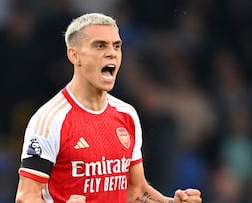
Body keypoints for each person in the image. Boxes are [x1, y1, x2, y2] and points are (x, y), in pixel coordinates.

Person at [15, 13, 202, 203]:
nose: (112, 52)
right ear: (74, 55)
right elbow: (26, 197)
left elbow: (134, 191)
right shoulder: (50, 119)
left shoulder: (126, 114)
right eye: (100, 45)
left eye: (117, 46)